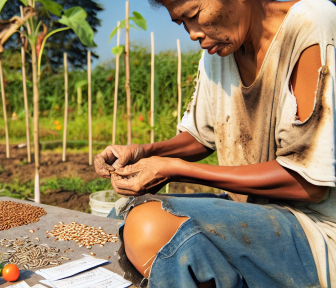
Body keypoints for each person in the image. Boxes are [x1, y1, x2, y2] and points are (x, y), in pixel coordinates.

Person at [94, 0, 336, 287]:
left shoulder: (310, 22)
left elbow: (309, 183)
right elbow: (201, 137)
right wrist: (145, 153)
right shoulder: (220, 52)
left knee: (149, 228)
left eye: (195, 15)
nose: (193, 33)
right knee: (121, 215)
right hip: (256, 214)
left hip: (317, 231)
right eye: (182, 23)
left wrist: (174, 169)